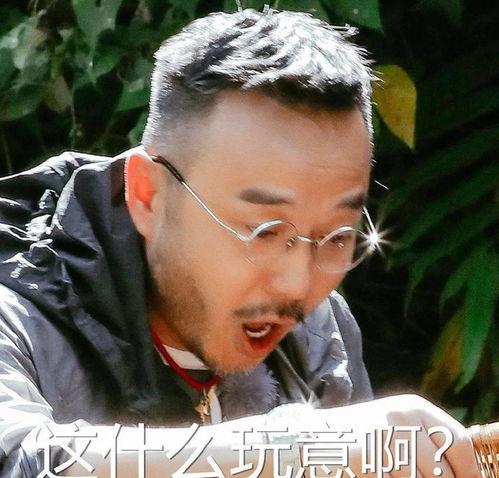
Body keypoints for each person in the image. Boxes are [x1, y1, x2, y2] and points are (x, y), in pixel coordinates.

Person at [0, 8, 481, 477]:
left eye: (335, 236)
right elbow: (23, 460)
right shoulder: (17, 308)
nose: (298, 286)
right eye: (264, 231)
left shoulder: (320, 331)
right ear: (147, 194)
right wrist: (303, 446)